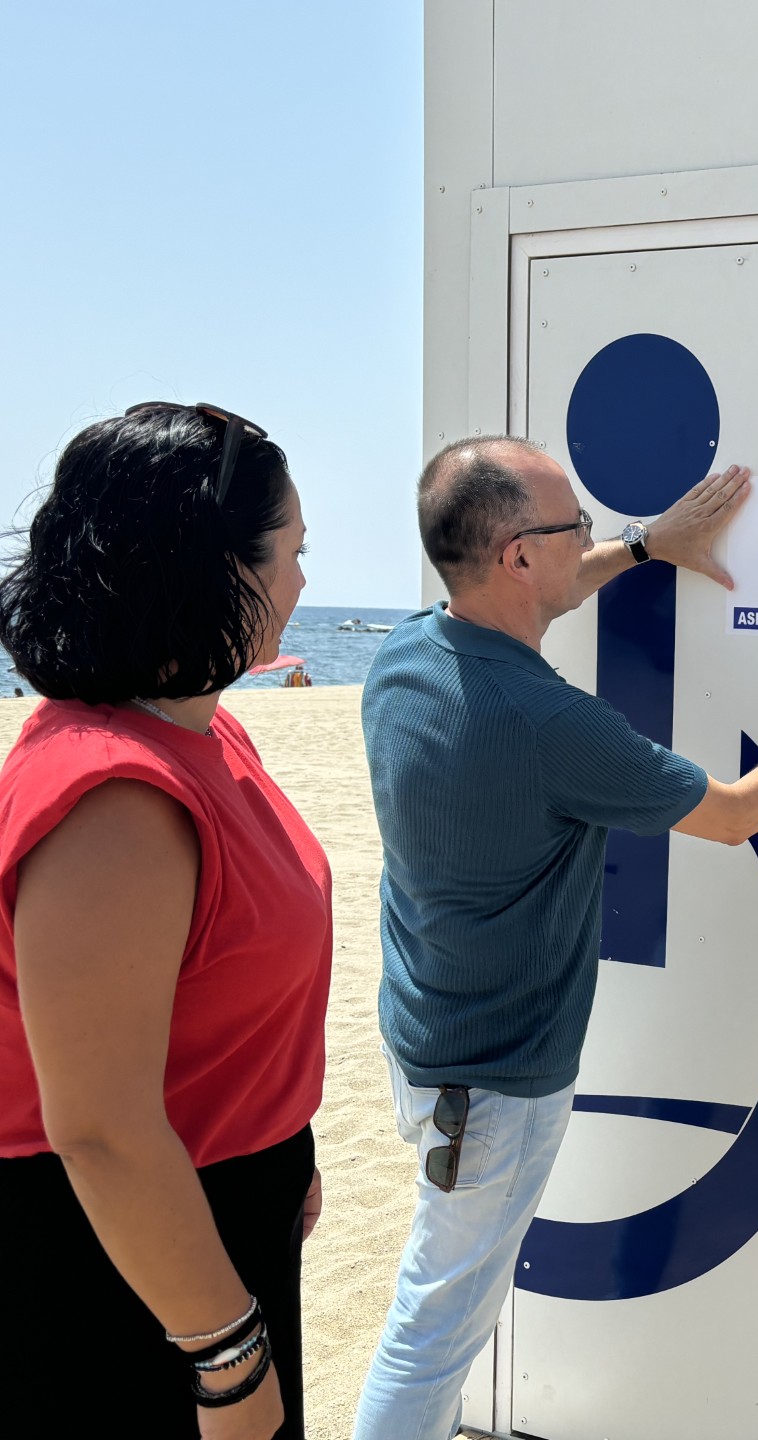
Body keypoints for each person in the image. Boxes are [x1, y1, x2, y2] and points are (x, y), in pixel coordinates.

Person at [354, 438, 758, 1439]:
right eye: (571, 524)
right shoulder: (547, 723)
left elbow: (549, 585)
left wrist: (642, 545)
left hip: (429, 1044)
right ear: (514, 556)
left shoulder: (407, 654)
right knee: (437, 1323)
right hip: (494, 1088)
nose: (586, 534)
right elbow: (735, 813)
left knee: (443, 1299)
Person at [0, 403, 332, 1438]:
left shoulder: (202, 729)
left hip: (214, 1211)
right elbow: (98, 1128)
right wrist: (225, 1354)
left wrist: (288, 1153)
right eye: (292, 554)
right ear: (215, 571)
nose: (305, 584)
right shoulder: (113, 800)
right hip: (118, 1257)